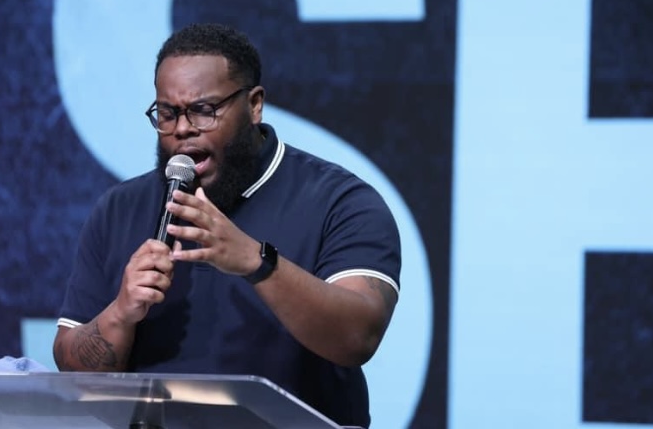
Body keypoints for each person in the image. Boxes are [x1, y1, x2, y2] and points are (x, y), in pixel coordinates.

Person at [53, 23, 401, 428]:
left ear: (254, 105)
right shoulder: (120, 209)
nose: (182, 129)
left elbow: (357, 337)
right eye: (167, 114)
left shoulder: (341, 202)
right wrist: (121, 313)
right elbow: (73, 366)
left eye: (203, 110)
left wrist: (257, 261)